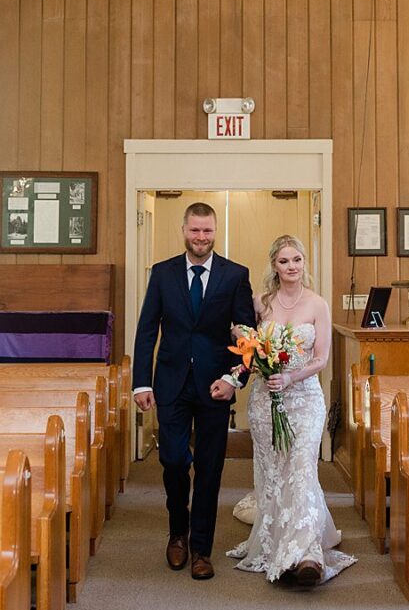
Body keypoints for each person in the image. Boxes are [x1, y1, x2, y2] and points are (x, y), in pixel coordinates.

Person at [132, 202, 257, 580]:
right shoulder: (163, 273)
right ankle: (177, 533)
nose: (200, 238)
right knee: (172, 461)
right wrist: (142, 381)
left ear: (214, 231)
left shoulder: (235, 275)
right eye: (194, 231)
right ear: (183, 230)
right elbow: (147, 329)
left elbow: (248, 337)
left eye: (207, 231)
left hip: (214, 387)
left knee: (210, 469)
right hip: (170, 384)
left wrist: (234, 379)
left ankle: (201, 548)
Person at [226, 234, 356, 585]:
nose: (291, 267)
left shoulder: (317, 304)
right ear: (274, 265)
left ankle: (308, 554)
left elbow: (322, 358)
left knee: (301, 468)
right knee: (274, 473)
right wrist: (253, 361)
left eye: (296, 260)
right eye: (284, 261)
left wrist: (291, 377)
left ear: (304, 263)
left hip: (306, 399)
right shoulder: (261, 303)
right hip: (265, 402)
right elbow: (248, 347)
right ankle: (278, 543)